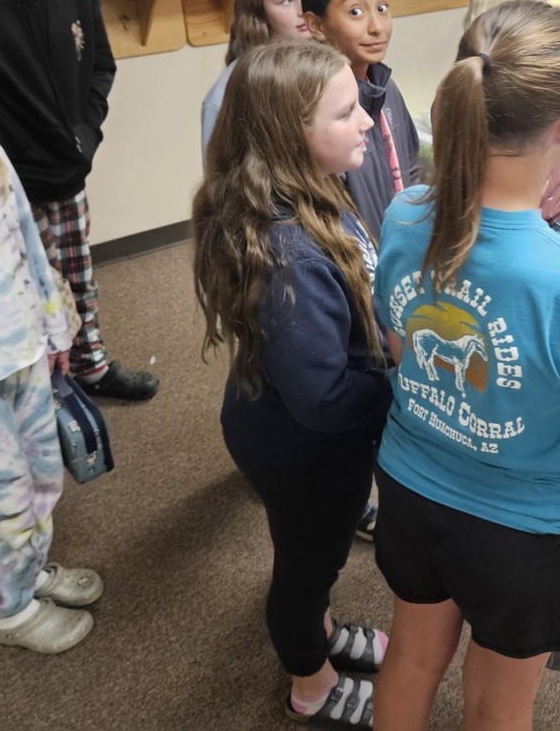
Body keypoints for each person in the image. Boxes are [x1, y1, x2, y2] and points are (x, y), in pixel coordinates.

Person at [370, 1, 560, 731]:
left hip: (409, 488)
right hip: (528, 532)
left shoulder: (404, 212)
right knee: (496, 703)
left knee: (408, 660)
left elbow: (404, 353)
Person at [192, 37, 393, 727]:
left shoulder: (308, 196)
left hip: (291, 427)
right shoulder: (288, 254)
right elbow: (324, 396)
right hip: (306, 445)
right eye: (345, 114)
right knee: (308, 562)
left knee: (310, 554)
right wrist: (403, 386)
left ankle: (322, 630)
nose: (367, 119)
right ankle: (310, 679)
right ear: (291, 136)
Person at [0, 0, 157, 401]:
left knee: (77, 272)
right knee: (26, 282)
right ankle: (39, 387)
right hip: (7, 175)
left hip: (68, 162)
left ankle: (92, 365)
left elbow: (100, 65)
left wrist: (87, 132)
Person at [0, 59, 104, 655]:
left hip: (24, 352)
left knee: (41, 474)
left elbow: (30, 244)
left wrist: (56, 331)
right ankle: (9, 607)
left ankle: (25, 568)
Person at [300, 0, 419, 241]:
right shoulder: (316, 105)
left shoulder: (385, 87)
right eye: (356, 12)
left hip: (399, 256)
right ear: (315, 25)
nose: (377, 26)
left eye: (382, 7)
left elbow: (411, 168)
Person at [459, 0, 560, 232]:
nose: (545, 28)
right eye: (533, 18)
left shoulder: (552, 77)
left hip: (555, 214)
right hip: (500, 224)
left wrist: (559, 187)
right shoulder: (465, 88)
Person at [200, 0, 307, 160]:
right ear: (259, 10)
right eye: (286, 1)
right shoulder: (226, 94)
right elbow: (219, 184)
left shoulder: (331, 69)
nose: (302, 11)